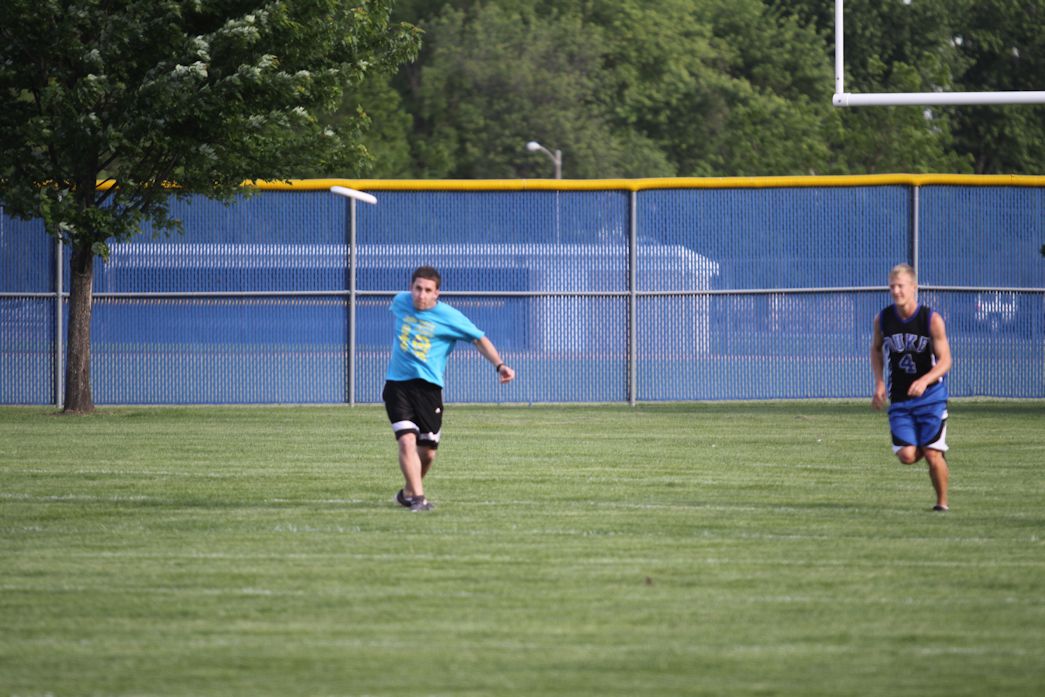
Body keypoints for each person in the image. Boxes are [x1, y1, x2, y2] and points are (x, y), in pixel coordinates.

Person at [382, 265, 515, 512]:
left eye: (427, 290)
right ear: (410, 288)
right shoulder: (400, 302)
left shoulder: (449, 317)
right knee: (406, 441)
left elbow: (479, 339)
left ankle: (408, 492)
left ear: (437, 293)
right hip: (397, 386)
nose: (421, 295)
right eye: (417, 288)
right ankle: (419, 499)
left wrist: (500, 365)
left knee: (428, 453)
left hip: (429, 390)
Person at [870, 263, 953, 511]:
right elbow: (876, 349)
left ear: (914, 287)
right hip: (900, 398)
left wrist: (925, 380)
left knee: (932, 454)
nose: (896, 291)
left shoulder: (931, 319)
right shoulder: (883, 319)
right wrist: (879, 382)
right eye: (892, 287)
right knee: (907, 455)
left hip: (931, 397)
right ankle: (930, 445)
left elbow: (946, 360)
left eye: (901, 286)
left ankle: (942, 504)